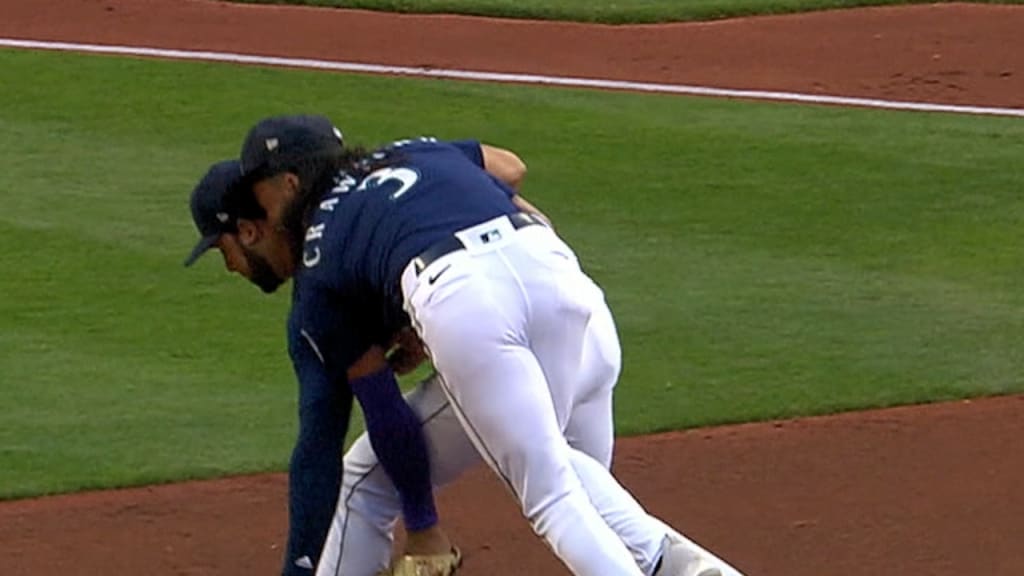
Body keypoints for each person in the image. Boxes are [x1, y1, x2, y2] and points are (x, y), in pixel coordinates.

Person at [231, 114, 745, 576]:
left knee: (551, 496)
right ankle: (671, 563)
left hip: (461, 294)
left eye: (259, 194)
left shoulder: (319, 256)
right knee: (562, 467)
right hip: (554, 270)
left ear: (289, 183)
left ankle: (658, 562)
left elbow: (355, 430)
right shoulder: (414, 150)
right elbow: (510, 169)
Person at [184, 158, 461, 576]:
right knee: (581, 495)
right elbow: (507, 169)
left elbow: (337, 433)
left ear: (248, 230)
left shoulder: (320, 296)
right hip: (576, 318)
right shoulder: (386, 186)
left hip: (509, 355)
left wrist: (424, 527)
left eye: (223, 250)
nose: (229, 267)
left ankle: (429, 544)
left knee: (364, 484)